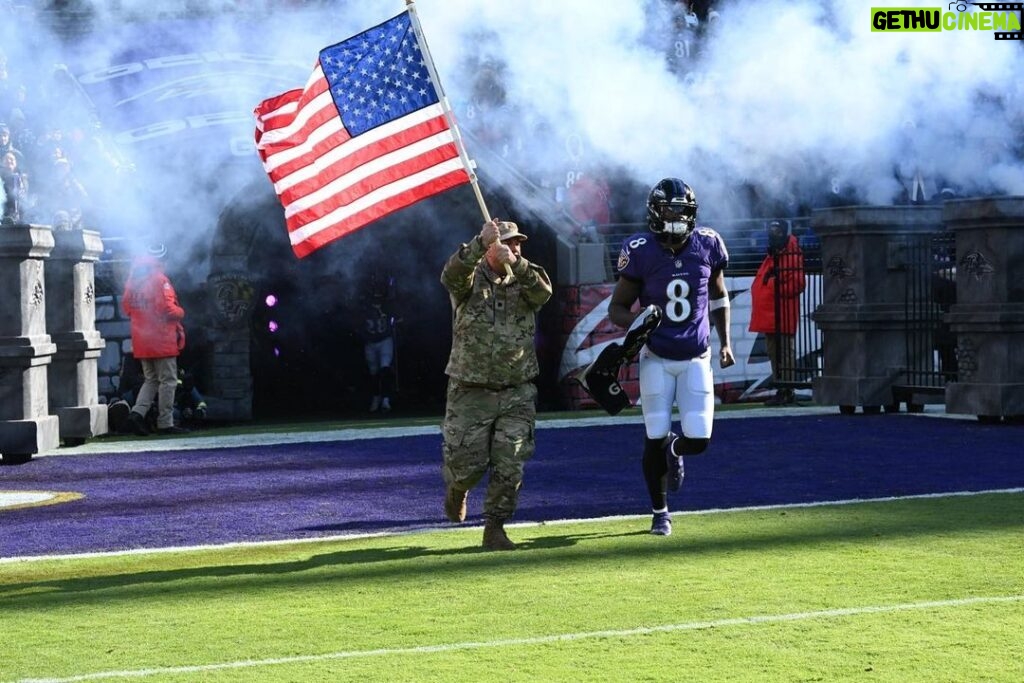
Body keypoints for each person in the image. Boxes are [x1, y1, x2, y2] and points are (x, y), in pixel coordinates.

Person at [607, 178, 734, 537]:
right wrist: (638, 323)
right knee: (654, 434)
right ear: (655, 213)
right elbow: (617, 307)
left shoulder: (708, 244)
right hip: (656, 357)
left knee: (699, 439)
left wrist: (726, 343)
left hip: (696, 356)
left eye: (683, 211)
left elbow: (720, 296)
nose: (677, 218)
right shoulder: (641, 250)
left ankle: (674, 451)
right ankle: (660, 512)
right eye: (670, 211)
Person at [440, 218, 553, 551]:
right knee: (467, 466)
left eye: (518, 243)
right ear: (491, 245)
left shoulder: (526, 277)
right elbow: (451, 275)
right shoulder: (470, 279)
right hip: (471, 389)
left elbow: (543, 293)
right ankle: (458, 489)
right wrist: (477, 243)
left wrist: (517, 263)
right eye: (507, 242)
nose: (514, 247)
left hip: (517, 389)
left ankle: (495, 527)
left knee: (510, 462)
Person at [121, 243, 189, 435]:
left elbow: (127, 307)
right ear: (162, 260)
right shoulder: (160, 280)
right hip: (161, 339)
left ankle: (137, 414)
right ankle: (165, 422)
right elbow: (168, 310)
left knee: (151, 380)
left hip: (142, 339)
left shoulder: (133, 280)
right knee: (168, 380)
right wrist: (181, 312)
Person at [749, 219, 806, 406]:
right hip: (771, 314)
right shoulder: (774, 254)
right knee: (775, 354)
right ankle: (782, 389)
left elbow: (796, 285)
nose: (774, 233)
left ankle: (787, 390)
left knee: (785, 354)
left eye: (777, 229)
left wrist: (772, 285)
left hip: (783, 313)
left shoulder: (791, 254)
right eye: (771, 229)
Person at [361, 274, 397, 414]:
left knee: (385, 369)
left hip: (384, 340)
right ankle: (376, 396)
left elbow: (396, 316)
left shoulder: (387, 305)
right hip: (370, 342)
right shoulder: (364, 307)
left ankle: (386, 399)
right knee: (374, 373)